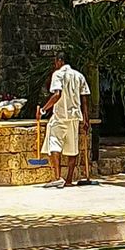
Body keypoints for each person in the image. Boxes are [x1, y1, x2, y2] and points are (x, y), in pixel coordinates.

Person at [38, 53, 91, 188]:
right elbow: (84, 99)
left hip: (60, 115)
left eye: (55, 62)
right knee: (72, 149)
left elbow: (57, 95)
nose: (55, 65)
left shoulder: (58, 74)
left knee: (54, 143)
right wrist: (86, 119)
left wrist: (43, 110)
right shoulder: (79, 75)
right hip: (74, 116)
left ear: (59, 61)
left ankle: (57, 177)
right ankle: (68, 180)